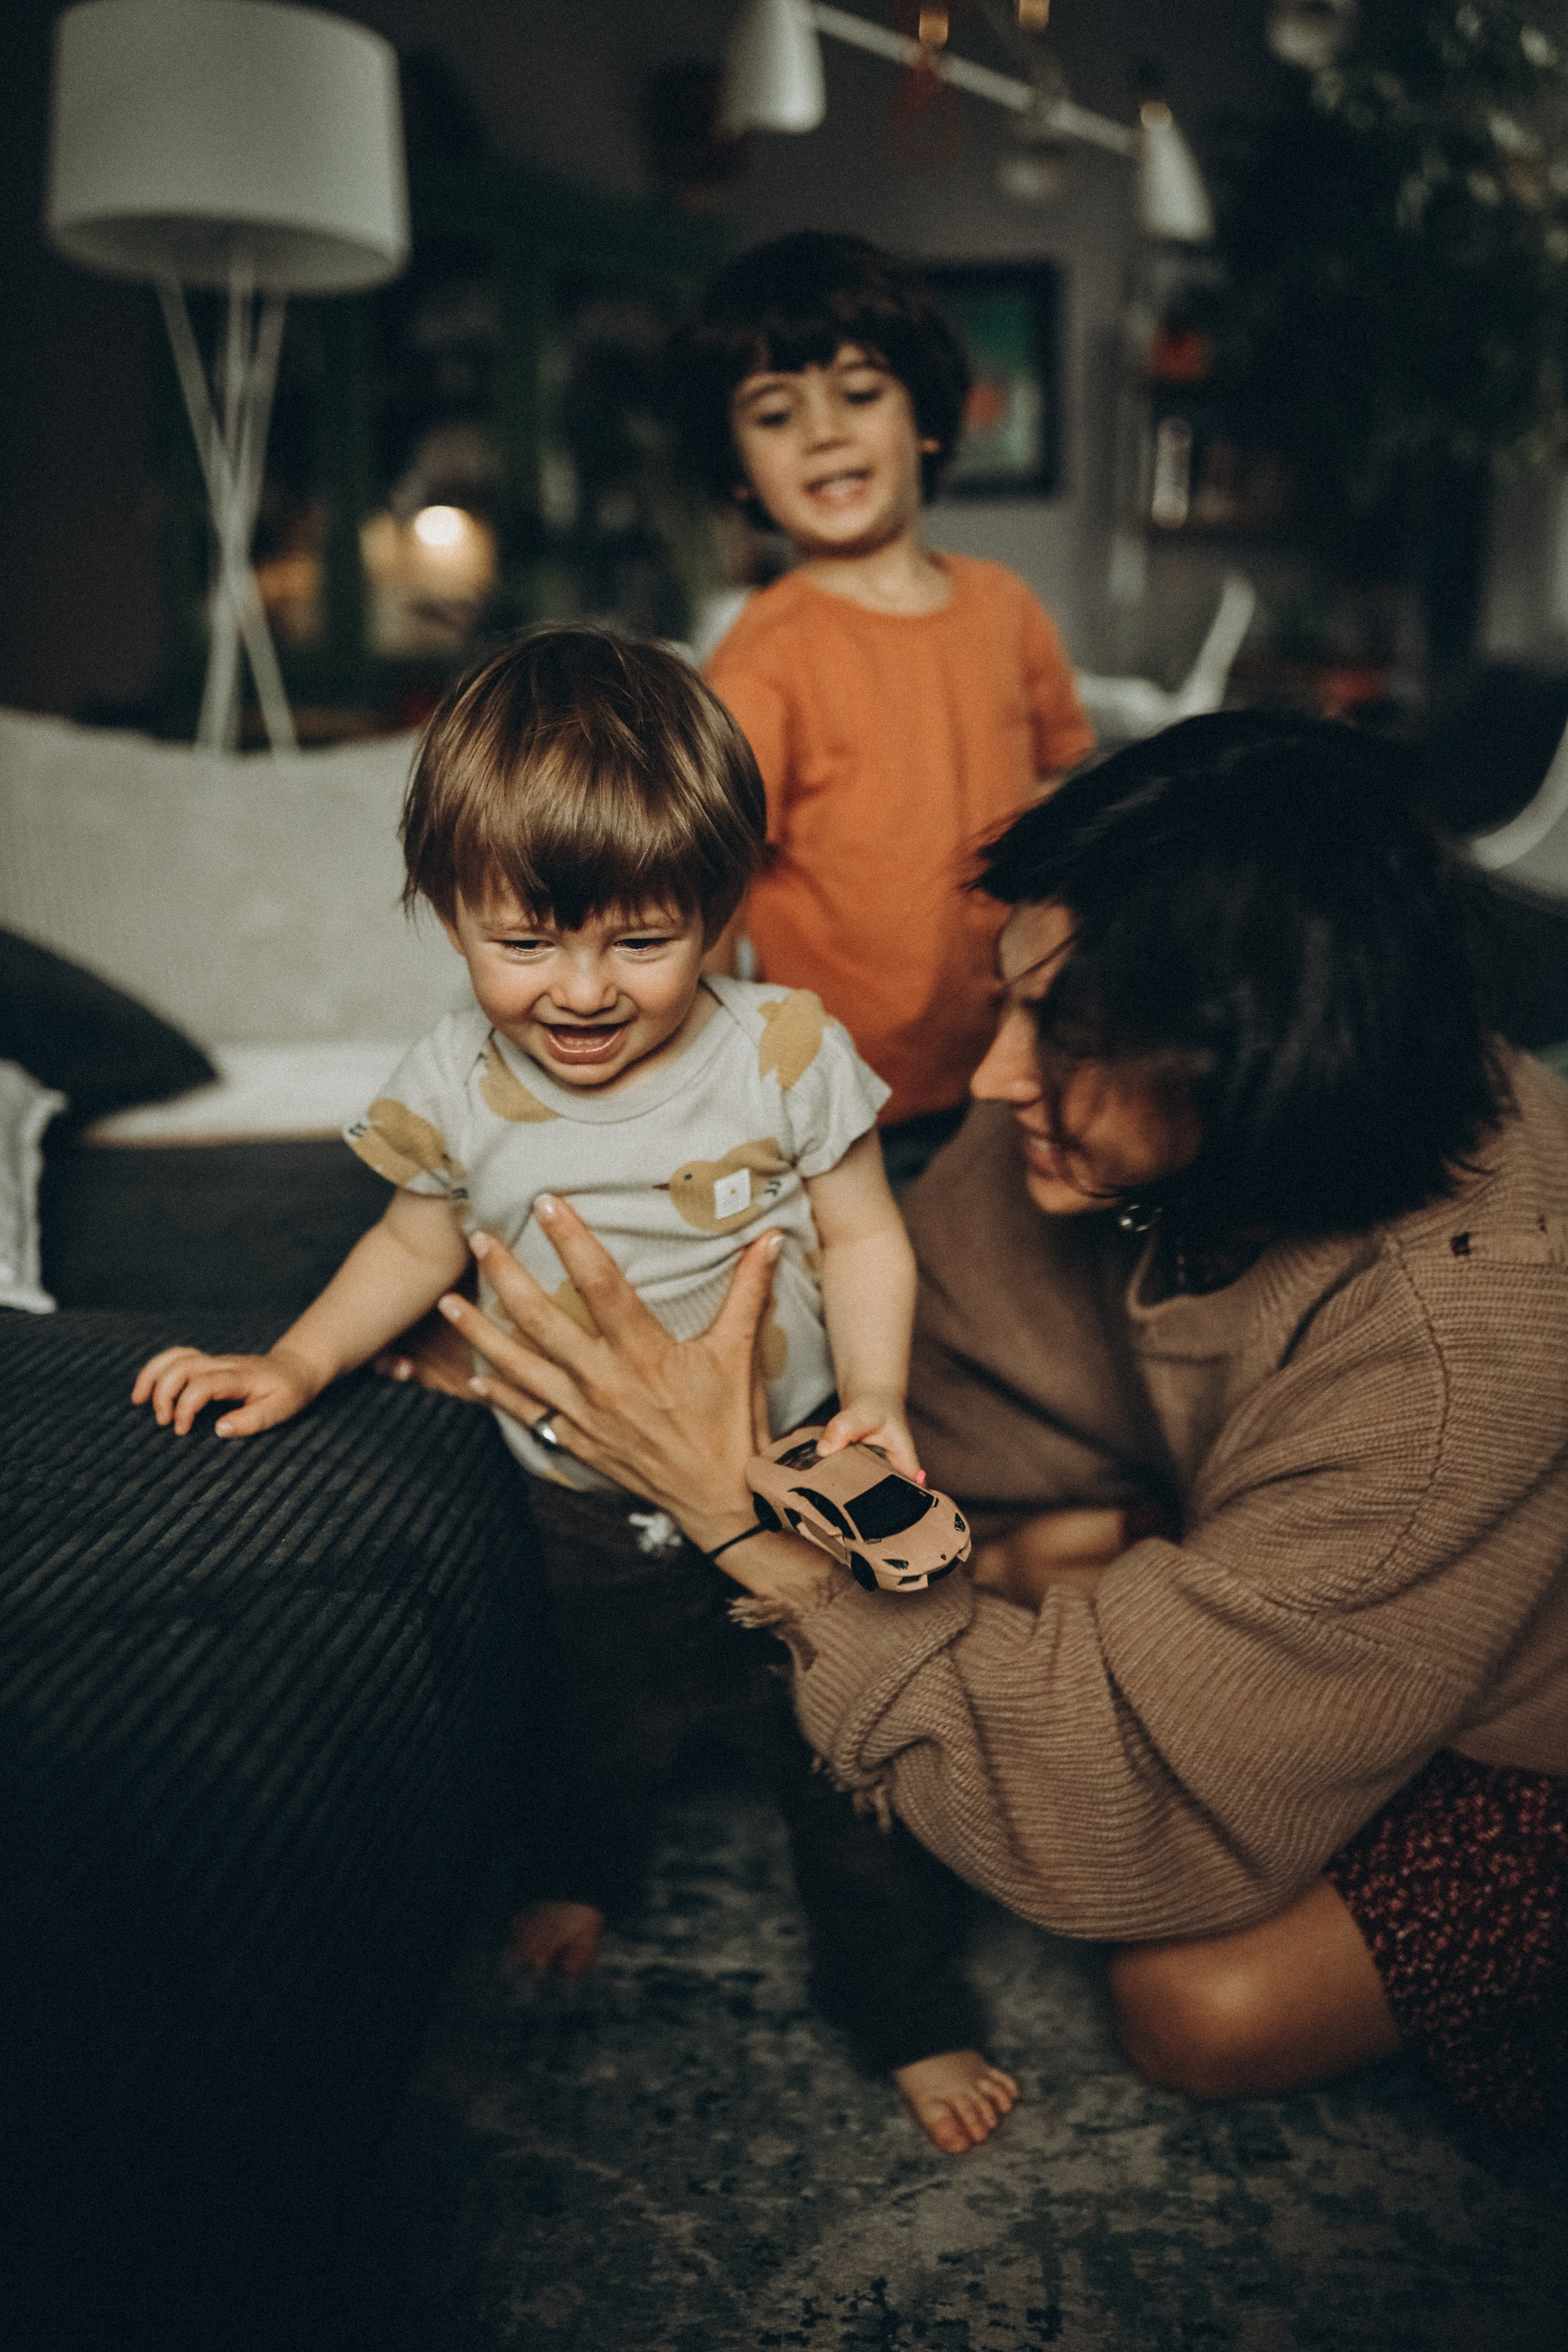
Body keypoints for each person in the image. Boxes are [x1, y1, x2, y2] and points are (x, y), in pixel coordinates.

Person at [426, 712, 1568, 2133]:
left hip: (1516, 1689)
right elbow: (913, 1408)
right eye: (1009, 1005)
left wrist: (722, 1507)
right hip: (1304, 1552)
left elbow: (1120, 1823)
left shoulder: (1457, 1346)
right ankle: (1157, 1566)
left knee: (1196, 2005)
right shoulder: (1102, 1126)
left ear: (1259, 1061)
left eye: (1066, 1035)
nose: (990, 1078)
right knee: (971, 1575)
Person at [129, 624, 1020, 2154]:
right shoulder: (451, 1082)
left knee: (848, 1769)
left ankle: (910, 2010)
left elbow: (866, 1229)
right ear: (446, 910)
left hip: (786, 1474)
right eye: (525, 942)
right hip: (580, 1502)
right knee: (582, 1718)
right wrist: (295, 1357)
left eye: (642, 939)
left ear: (722, 908)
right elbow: (412, 1240)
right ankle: (581, 1871)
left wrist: (873, 1388)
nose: (584, 991)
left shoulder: (785, 1050)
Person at [671, 232, 1095, 1189]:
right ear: (739, 470)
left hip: (1013, 1064)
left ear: (929, 422)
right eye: (777, 415)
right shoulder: (763, 659)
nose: (824, 434)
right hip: (839, 1098)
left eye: (860, 395)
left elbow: (1064, 788)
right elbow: (712, 883)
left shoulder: (1006, 607)